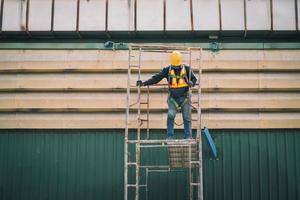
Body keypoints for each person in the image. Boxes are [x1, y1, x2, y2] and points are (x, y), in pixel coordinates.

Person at [136, 51, 197, 139]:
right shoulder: (167, 70)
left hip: (185, 98)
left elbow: (194, 79)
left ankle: (188, 137)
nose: (176, 68)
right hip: (173, 99)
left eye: (178, 66)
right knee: (171, 115)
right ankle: (170, 136)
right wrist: (144, 83)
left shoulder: (187, 69)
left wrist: (192, 83)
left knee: (187, 118)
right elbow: (156, 78)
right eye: (175, 66)